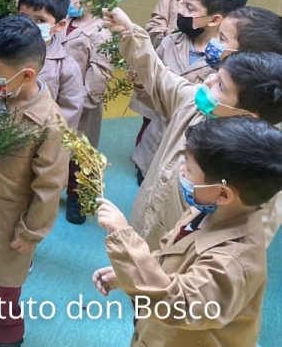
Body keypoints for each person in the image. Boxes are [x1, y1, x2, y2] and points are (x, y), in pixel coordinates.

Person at [100, 5, 282, 250]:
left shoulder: (262, 163)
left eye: (220, 85)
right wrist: (129, 31)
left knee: (158, 285)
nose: (207, 81)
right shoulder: (196, 104)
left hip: (187, 257)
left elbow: (249, 240)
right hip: (148, 223)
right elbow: (159, 75)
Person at [94, 116, 282, 347]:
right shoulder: (203, 212)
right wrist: (129, 273)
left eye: (190, 170)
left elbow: (177, 305)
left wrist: (124, 238)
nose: (181, 171)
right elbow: (171, 257)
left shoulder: (234, 262)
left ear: (223, 194)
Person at [0, 15, 68, 347]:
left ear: (27, 75)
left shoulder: (50, 124)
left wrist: (30, 232)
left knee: (4, 291)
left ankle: (9, 335)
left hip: (8, 225)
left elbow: (49, 186)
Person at [130, 0, 249, 183]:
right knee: (147, 186)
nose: (181, 12)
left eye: (190, 8)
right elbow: (155, 101)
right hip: (155, 142)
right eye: (182, 5)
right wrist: (141, 84)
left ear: (214, 20)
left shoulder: (229, 64)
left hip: (191, 154)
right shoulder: (169, 42)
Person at [58, 0, 116, 224]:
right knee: (54, 152)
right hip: (54, 100)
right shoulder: (63, 21)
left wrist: (80, 102)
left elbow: (99, 76)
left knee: (79, 159)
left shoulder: (102, 33)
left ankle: (78, 198)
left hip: (81, 108)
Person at [17, 0, 84, 130]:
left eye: (40, 20)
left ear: (59, 25)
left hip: (40, 138)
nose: (30, 25)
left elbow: (69, 112)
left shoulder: (66, 68)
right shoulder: (1, 52)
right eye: (24, 17)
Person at [206, 6, 282, 69]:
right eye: (218, 34)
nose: (213, 40)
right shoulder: (205, 66)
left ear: (247, 55)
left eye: (222, 38)